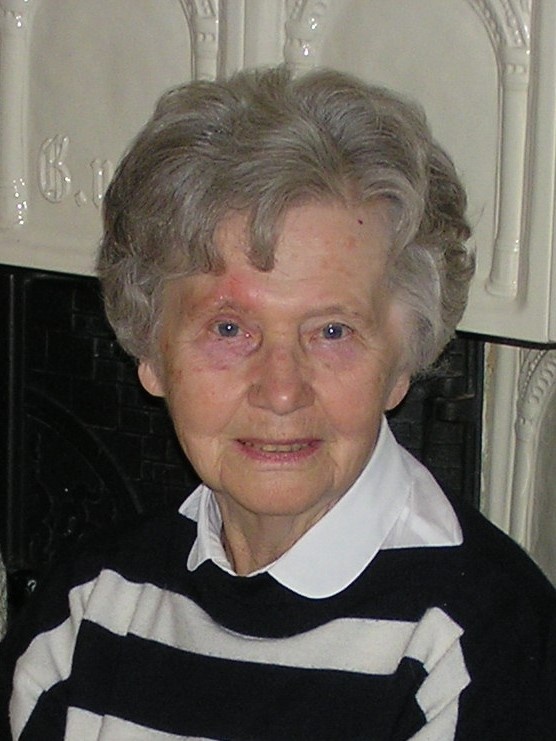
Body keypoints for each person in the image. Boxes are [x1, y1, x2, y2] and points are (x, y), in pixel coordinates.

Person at [1, 65, 555, 740]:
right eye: (229, 329)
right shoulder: (90, 605)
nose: (282, 389)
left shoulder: (479, 644)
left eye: (332, 331)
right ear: (150, 351)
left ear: (402, 361)